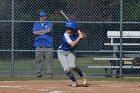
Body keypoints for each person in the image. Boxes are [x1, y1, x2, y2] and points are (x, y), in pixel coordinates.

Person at [57, 20, 87, 87]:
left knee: (72, 66)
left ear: (73, 29)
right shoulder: (65, 35)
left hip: (71, 52)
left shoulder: (76, 34)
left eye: (69, 28)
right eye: (67, 28)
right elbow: (72, 44)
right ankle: (74, 81)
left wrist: (81, 33)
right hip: (61, 53)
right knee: (66, 69)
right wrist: (79, 37)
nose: (67, 29)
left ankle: (82, 75)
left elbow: (85, 36)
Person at [33, 11, 53, 78]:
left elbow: (49, 30)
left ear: (45, 17)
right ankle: (39, 73)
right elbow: (34, 33)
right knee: (38, 60)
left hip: (48, 45)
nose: (41, 17)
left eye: (43, 16)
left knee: (49, 60)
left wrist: (39, 32)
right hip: (38, 44)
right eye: (40, 16)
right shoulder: (36, 24)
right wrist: (44, 31)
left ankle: (49, 73)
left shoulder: (49, 23)